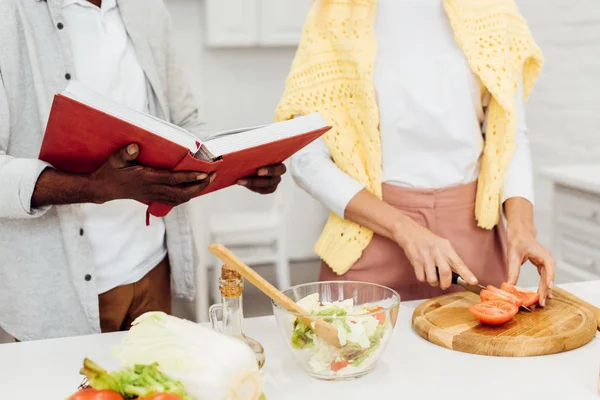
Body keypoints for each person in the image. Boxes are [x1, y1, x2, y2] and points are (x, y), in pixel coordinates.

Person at [0, 0, 285, 341]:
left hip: (153, 270)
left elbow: (186, 122)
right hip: (55, 296)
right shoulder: (10, 16)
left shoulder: (148, 10)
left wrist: (241, 161)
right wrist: (95, 187)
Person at [276, 0, 556, 304]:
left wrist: (522, 227)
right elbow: (307, 159)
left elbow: (511, 136)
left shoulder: (495, 11)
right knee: (352, 348)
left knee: (477, 349)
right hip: (370, 238)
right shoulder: (333, 15)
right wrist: (403, 229)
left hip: (474, 241)